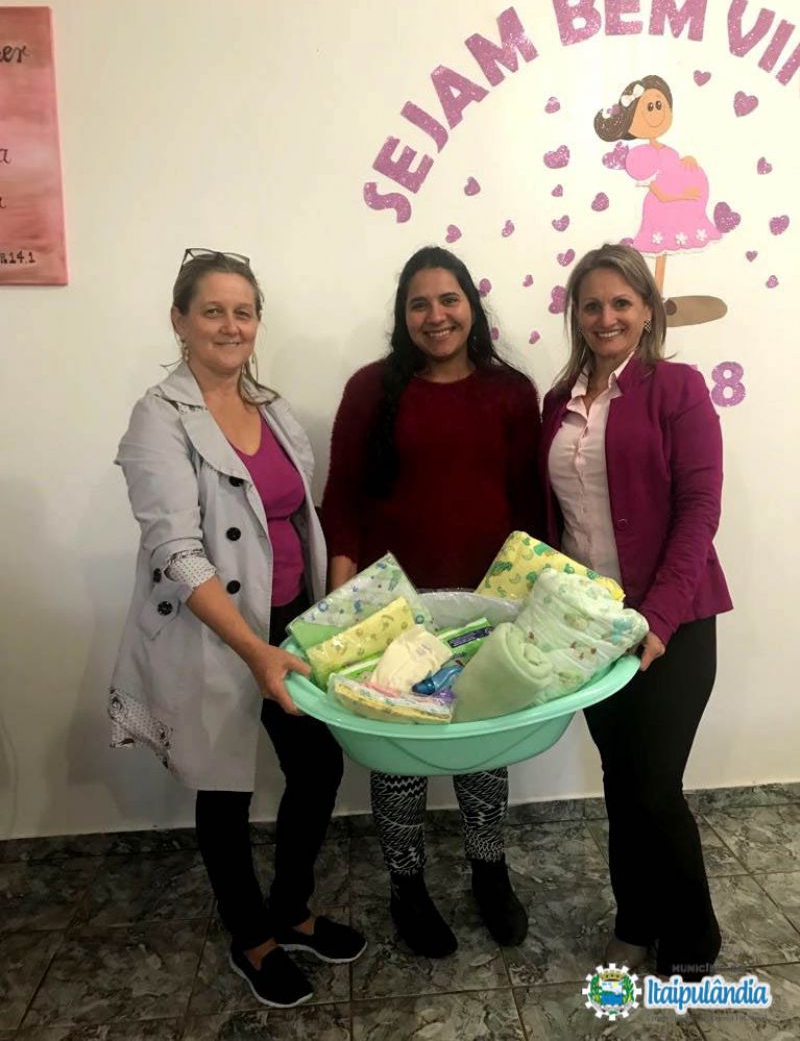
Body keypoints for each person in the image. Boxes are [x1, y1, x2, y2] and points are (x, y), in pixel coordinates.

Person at [109, 249, 366, 1009]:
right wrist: (252, 649)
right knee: (222, 784)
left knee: (316, 769)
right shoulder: (158, 418)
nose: (230, 326)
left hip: (289, 620)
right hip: (215, 630)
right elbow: (177, 551)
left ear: (258, 322)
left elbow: (298, 517)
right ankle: (250, 937)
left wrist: (316, 617)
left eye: (243, 312)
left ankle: (291, 910)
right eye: (213, 311)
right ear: (180, 320)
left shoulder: (273, 409)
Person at [321, 245, 541, 957]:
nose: (436, 315)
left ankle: (489, 872)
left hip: (486, 606)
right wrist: (341, 597)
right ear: (403, 316)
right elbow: (343, 500)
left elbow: (530, 507)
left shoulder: (512, 393)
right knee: (399, 751)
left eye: (449, 300)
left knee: (483, 743)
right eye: (419, 304)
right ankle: (407, 886)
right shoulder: (369, 389)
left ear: (472, 307)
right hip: (394, 609)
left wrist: (531, 602)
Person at [539, 243, 733, 980]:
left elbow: (699, 510)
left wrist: (658, 618)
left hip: (672, 625)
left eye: (622, 302)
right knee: (620, 782)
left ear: (648, 310)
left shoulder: (677, 389)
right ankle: (635, 919)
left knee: (654, 787)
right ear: (575, 315)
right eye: (591, 304)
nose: (606, 317)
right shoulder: (557, 404)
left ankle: (692, 941)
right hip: (593, 631)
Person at [594, 74, 726, 327]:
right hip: (659, 210)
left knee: (665, 253)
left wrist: (687, 162)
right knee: (660, 253)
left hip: (675, 211)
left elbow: (674, 172)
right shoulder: (640, 156)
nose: (656, 113)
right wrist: (684, 196)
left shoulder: (668, 151)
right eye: (649, 107)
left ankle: (659, 299)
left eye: (659, 105)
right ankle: (655, 299)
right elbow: (661, 193)